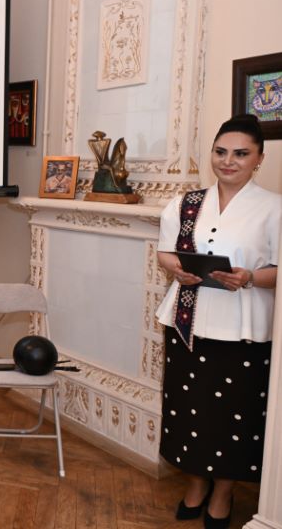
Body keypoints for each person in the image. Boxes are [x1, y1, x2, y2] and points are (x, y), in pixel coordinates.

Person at [155, 114, 279, 529]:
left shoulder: (275, 208)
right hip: (187, 323)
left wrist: (249, 278)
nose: (228, 161)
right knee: (189, 411)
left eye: (241, 154)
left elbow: (278, 270)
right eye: (221, 152)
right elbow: (165, 251)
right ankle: (195, 485)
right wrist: (177, 269)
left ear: (259, 158)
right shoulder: (184, 203)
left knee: (233, 417)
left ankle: (223, 492)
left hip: (243, 329)